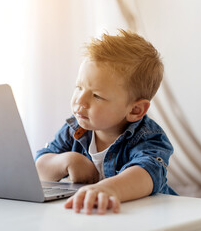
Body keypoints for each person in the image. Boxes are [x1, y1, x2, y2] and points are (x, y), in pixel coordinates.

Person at [35, 29, 177, 215]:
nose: (80, 101)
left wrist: (109, 189)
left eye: (97, 96)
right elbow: (39, 168)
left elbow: (146, 173)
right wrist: (66, 160)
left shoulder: (148, 137)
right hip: (92, 217)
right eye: (79, 87)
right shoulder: (75, 129)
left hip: (145, 216)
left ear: (135, 110)